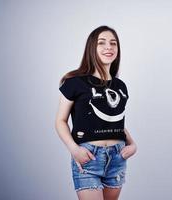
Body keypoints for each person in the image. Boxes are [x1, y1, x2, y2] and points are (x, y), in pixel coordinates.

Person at [55, 25, 137, 200]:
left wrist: (133, 144)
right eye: (102, 43)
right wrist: (74, 149)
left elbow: (117, 121)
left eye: (113, 43)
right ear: (92, 48)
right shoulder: (74, 82)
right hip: (89, 157)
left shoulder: (120, 86)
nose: (109, 47)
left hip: (117, 157)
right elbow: (60, 121)